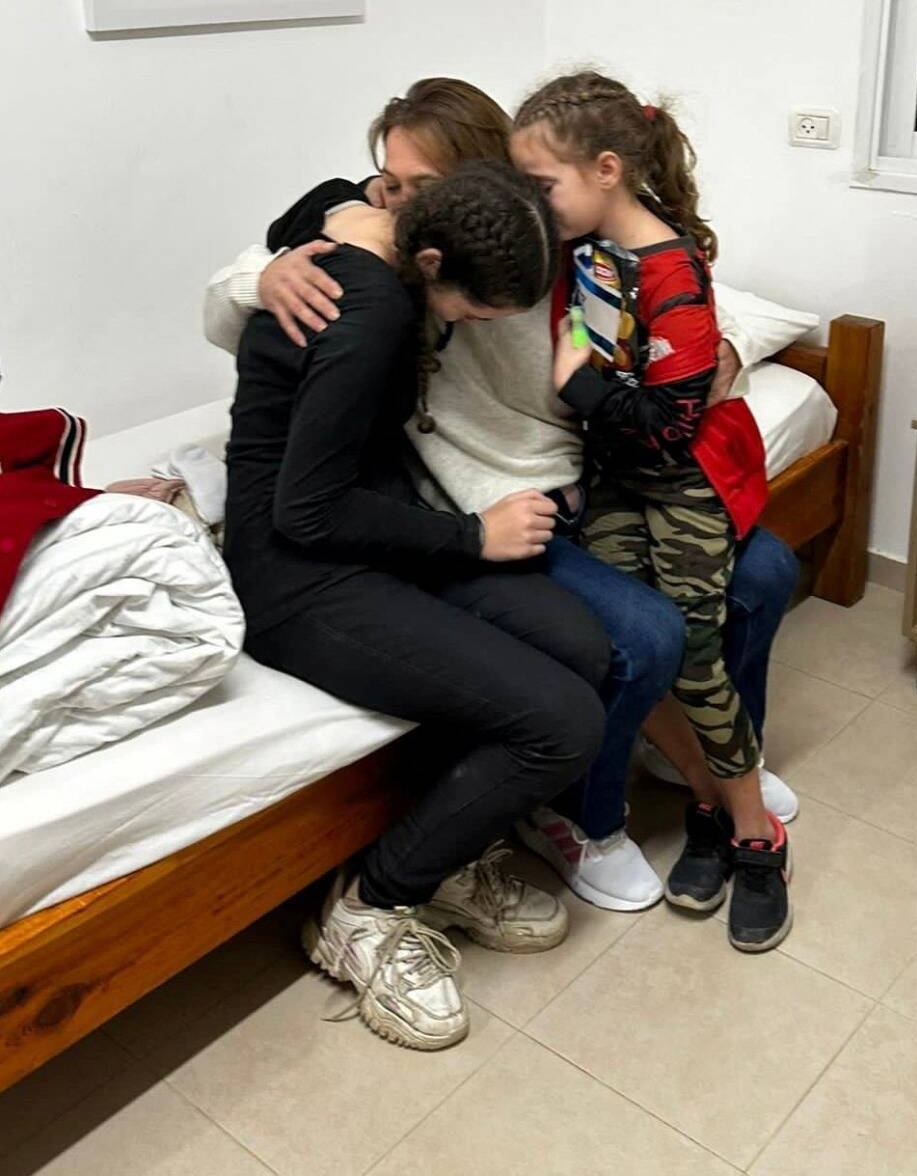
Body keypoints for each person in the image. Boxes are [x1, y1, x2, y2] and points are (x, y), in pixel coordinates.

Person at [205, 77, 799, 916]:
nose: (398, 202)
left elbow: (693, 298)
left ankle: (712, 756)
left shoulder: (560, 247)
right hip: (482, 503)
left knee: (766, 572)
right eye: (392, 184)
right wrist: (265, 274)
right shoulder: (406, 267)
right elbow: (267, 277)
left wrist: (725, 350)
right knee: (643, 633)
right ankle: (588, 817)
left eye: (420, 186)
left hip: (592, 477)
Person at [224, 161, 611, 1050]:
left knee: (580, 644)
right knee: (563, 724)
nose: (469, 326)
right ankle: (367, 909)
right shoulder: (375, 315)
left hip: (372, 536)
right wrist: (473, 537)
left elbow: (317, 201)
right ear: (431, 260)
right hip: (295, 576)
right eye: (472, 311)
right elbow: (304, 512)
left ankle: (448, 857)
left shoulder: (379, 245)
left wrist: (313, 230)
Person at [512, 70, 791, 954]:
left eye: (543, 185)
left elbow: (671, 426)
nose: (535, 203)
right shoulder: (588, 250)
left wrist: (578, 384)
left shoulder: (673, 271)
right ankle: (708, 802)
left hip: (678, 482)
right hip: (613, 481)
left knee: (696, 651)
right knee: (647, 648)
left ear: (606, 170)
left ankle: (755, 830)